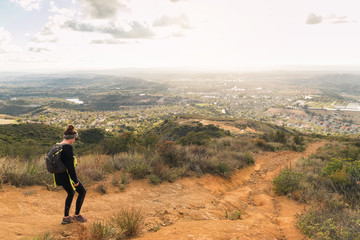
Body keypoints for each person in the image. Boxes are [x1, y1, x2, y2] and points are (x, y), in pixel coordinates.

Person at [54, 124, 87, 224]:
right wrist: (75, 180)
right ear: (72, 138)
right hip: (67, 176)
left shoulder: (58, 145)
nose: (74, 141)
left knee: (71, 193)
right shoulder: (67, 147)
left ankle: (66, 217)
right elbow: (70, 167)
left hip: (58, 175)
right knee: (82, 192)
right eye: (75, 139)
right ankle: (75, 216)